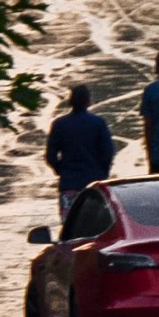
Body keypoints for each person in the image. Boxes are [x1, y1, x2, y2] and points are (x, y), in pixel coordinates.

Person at [43, 84, 115, 218]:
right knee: (96, 224)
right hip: (95, 183)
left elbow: (50, 155)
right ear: (88, 101)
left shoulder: (59, 124)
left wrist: (61, 170)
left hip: (69, 183)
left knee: (70, 227)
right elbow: (108, 153)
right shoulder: (98, 123)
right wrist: (102, 171)